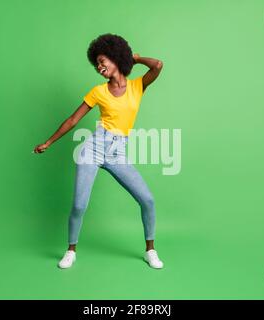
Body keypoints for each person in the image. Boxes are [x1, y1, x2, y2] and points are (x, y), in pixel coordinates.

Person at [33, 33, 164, 269]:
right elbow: (73, 120)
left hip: (117, 152)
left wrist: (134, 59)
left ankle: (150, 250)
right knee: (79, 205)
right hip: (93, 149)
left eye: (103, 60)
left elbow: (157, 65)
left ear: (116, 57)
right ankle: (71, 251)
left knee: (147, 200)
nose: (99, 66)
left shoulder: (137, 87)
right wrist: (49, 142)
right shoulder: (98, 91)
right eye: (97, 64)